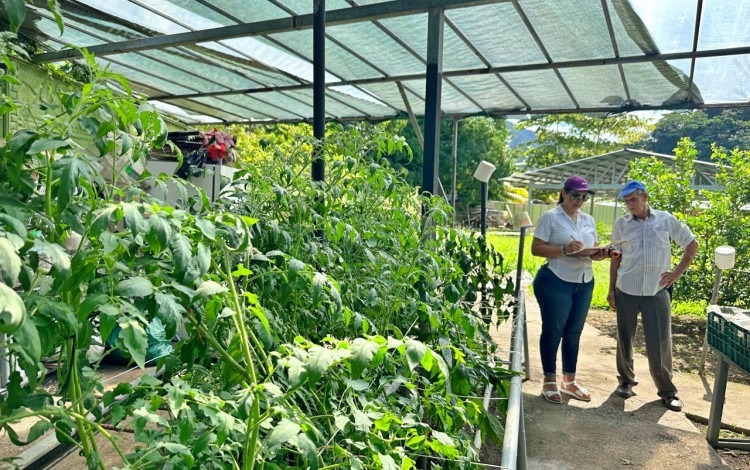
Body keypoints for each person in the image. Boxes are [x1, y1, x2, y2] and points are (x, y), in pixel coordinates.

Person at [608, 181, 698, 412]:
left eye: (633, 200)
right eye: (626, 201)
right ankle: (626, 381)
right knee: (624, 338)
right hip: (626, 288)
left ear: (645, 196)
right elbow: (616, 257)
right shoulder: (621, 224)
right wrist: (611, 288)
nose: (629, 205)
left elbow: (691, 243)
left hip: (656, 291)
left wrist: (677, 272)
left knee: (660, 342)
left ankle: (667, 391)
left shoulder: (665, 220)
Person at [531, 175, 606, 404]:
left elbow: (590, 249)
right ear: (563, 192)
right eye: (575, 196)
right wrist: (563, 248)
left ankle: (569, 381)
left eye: (583, 197)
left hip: (584, 280)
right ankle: (549, 380)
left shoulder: (588, 220)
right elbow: (536, 249)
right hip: (556, 280)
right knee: (554, 331)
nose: (579, 201)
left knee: (574, 332)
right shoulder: (550, 218)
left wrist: (600, 254)